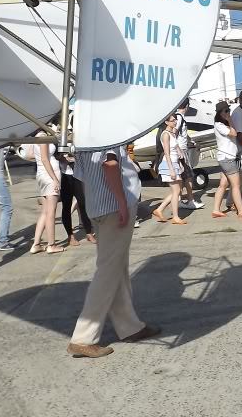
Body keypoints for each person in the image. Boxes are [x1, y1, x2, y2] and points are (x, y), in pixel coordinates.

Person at [67, 145, 159, 358]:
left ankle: (130, 326)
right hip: (113, 208)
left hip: (96, 207)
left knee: (116, 266)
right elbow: (110, 165)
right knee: (108, 271)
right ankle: (83, 338)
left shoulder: (83, 138)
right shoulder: (109, 133)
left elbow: (81, 176)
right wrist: (121, 203)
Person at [210, 102, 242, 220]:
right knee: (236, 185)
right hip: (227, 158)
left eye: (228, 110)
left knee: (223, 185)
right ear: (220, 113)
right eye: (225, 111)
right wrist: (229, 120)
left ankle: (216, 210)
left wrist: (229, 120)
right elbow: (234, 133)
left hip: (226, 158)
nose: (228, 113)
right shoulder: (219, 125)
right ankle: (241, 211)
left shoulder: (224, 124)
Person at [151, 115, 187, 225]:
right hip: (168, 164)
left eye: (175, 120)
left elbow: (175, 146)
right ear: (166, 122)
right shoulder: (165, 135)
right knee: (176, 191)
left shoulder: (172, 133)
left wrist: (180, 154)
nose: (175, 122)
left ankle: (159, 210)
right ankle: (175, 216)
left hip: (175, 163)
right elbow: (166, 153)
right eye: (173, 120)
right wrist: (171, 169)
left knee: (177, 190)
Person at [30, 142, 65, 254]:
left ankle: (36, 244)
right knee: (51, 212)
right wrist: (55, 179)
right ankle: (51, 245)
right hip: (49, 175)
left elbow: (32, 155)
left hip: (42, 174)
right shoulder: (43, 137)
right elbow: (45, 159)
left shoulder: (37, 137)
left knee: (45, 212)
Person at [172, 99, 204, 211]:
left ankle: (180, 200)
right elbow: (174, 133)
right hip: (181, 150)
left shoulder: (177, 117)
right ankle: (191, 200)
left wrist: (191, 141)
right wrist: (178, 148)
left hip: (180, 148)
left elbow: (181, 134)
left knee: (181, 177)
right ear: (187, 106)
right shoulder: (180, 117)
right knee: (189, 176)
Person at [61, 153, 95, 246]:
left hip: (77, 174)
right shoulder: (59, 140)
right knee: (66, 205)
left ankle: (89, 233)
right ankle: (70, 235)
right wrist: (64, 158)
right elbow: (56, 155)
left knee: (83, 203)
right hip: (64, 174)